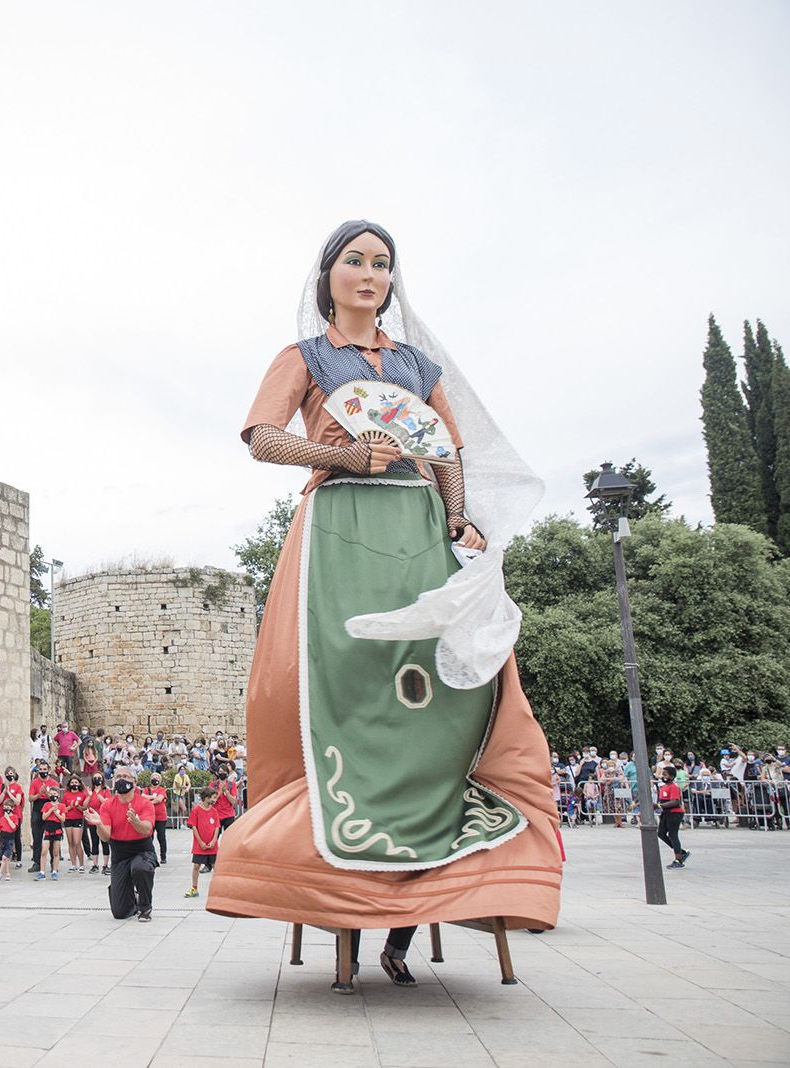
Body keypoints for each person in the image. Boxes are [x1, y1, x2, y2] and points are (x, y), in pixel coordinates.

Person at [207, 220, 563, 992]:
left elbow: (444, 451)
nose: (370, 274)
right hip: (340, 525)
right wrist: (341, 454)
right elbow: (264, 438)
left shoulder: (416, 365)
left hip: (418, 525)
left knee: (442, 684)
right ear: (328, 275)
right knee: (344, 680)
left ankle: (417, 901)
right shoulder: (304, 357)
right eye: (355, 260)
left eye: (382, 263)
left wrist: (458, 517)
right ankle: (344, 890)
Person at [86, 765, 156, 921]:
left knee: (140, 868)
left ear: (134, 782)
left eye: (125, 776)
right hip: (119, 853)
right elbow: (105, 837)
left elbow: (147, 829)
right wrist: (99, 824)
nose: (121, 779)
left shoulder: (145, 803)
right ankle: (132, 897)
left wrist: (136, 822)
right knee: (120, 913)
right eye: (118, 777)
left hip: (142, 849)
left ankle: (145, 907)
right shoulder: (107, 805)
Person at [186, 786, 221, 897]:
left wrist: (214, 841)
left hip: (212, 845)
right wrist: (200, 842)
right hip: (199, 845)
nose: (214, 800)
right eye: (213, 797)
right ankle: (194, 888)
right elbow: (194, 827)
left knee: (216, 866)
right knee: (196, 866)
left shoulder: (214, 811)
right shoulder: (196, 810)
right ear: (206, 798)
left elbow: (217, 827)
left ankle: (219, 888)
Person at [27, 761, 59, 873]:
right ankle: (37, 862)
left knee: (51, 836)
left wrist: (47, 793)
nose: (42, 771)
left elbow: (56, 798)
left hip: (50, 808)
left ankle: (53, 862)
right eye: (40, 769)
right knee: (37, 837)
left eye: (45, 769)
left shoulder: (54, 782)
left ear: (48, 770)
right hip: (38, 809)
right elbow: (30, 798)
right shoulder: (34, 782)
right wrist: (39, 794)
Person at [60, 774, 87, 874]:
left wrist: (78, 806)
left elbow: (84, 808)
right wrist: (70, 807)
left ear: (79, 784)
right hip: (68, 819)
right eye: (72, 782)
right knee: (70, 842)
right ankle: (73, 864)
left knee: (77, 842)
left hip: (78, 819)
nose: (74, 784)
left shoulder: (82, 794)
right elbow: (63, 808)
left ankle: (81, 865)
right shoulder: (66, 795)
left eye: (76, 782)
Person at [0, 792, 23, 881]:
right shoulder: (2, 819)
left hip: (10, 840)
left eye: (8, 807)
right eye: (5, 807)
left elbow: (14, 827)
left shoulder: (14, 817)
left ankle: (0, 874)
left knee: (5, 857)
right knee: (4, 859)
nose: (6, 809)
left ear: (12, 808)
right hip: (2, 839)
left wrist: (8, 818)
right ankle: (7, 873)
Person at [37, 787, 64, 881]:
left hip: (57, 829)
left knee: (56, 852)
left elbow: (63, 819)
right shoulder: (46, 805)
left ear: (58, 795)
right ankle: (42, 872)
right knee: (44, 851)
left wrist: (56, 813)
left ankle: (55, 871)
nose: (53, 795)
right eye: (51, 794)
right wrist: (51, 810)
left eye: (55, 794)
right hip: (48, 828)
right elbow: (44, 817)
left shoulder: (61, 806)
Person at [144, 773, 170, 865]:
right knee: (149, 837)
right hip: (149, 817)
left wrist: (149, 802)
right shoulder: (146, 789)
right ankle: (150, 855)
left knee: (161, 837)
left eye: (157, 778)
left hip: (160, 817)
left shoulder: (162, 790)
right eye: (153, 777)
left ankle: (163, 856)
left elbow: (159, 799)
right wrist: (153, 797)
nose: (155, 779)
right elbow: (143, 796)